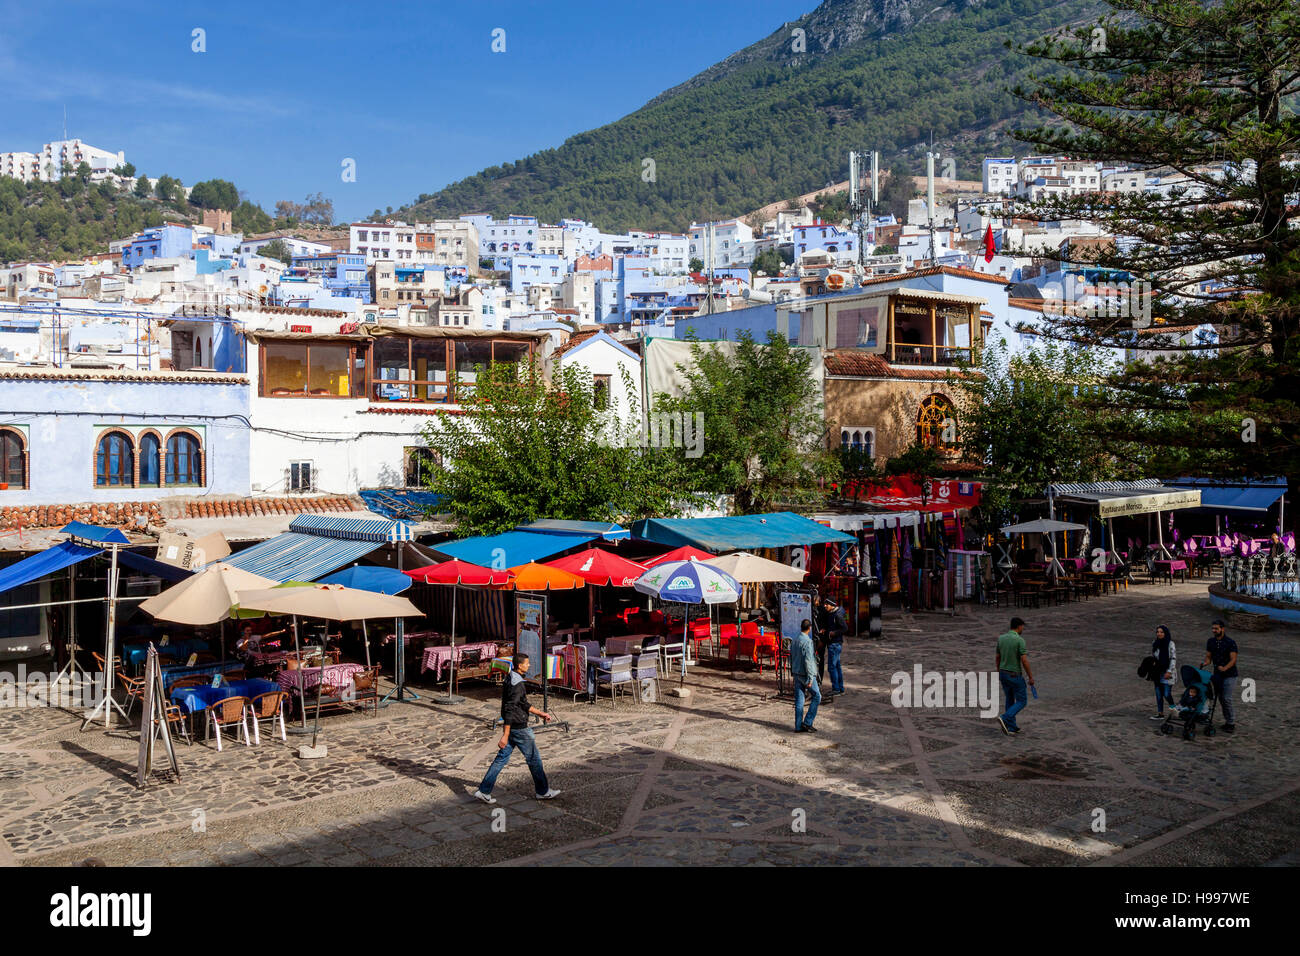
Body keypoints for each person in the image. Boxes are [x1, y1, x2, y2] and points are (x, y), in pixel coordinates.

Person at [473, 654, 561, 804]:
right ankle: (543, 791)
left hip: (514, 727)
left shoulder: (511, 677)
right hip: (519, 728)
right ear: (519, 665)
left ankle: (484, 790)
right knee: (534, 760)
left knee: (501, 759)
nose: (529, 666)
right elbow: (510, 708)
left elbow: (523, 703)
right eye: (527, 664)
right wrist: (505, 734)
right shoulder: (517, 684)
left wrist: (541, 713)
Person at [995, 617, 1035, 735]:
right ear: (1019, 626)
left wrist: (999, 671)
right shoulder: (1019, 640)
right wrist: (1030, 677)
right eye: (1022, 626)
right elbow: (1024, 660)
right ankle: (1005, 717)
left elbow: (997, 657)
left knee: (1009, 699)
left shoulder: (1001, 639)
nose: (1023, 628)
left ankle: (1011, 727)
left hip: (1003, 673)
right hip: (1014, 675)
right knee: (1022, 701)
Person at [1202, 619, 1239, 734]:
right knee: (1221, 698)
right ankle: (1227, 721)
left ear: (1222, 629)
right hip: (1217, 674)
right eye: (1213, 628)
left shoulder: (1230, 642)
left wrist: (1225, 668)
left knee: (1226, 698)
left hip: (1230, 674)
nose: (1214, 630)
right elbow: (1209, 656)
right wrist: (1206, 662)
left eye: (1216, 628)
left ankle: (1231, 722)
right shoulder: (1211, 642)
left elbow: (1233, 659)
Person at [791, 619, 820, 733]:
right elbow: (808, 660)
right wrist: (810, 677)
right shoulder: (808, 642)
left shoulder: (795, 640)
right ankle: (807, 722)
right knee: (817, 696)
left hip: (797, 672)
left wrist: (793, 670)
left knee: (799, 700)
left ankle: (798, 726)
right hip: (806, 674)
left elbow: (791, 656)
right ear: (810, 628)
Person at [820, 597, 848, 695]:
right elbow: (830, 625)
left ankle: (836, 689)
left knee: (831, 667)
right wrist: (825, 629)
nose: (825, 606)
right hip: (833, 643)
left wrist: (833, 633)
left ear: (832, 605)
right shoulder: (830, 613)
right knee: (837, 666)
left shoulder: (837, 615)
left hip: (835, 644)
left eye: (826, 604)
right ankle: (840, 688)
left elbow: (844, 628)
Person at [1149, 625, 1177, 719]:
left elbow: (1173, 658)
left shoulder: (1170, 644)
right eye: (1157, 632)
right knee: (1158, 694)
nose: (1159, 633)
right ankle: (1160, 713)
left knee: (1166, 693)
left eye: (1161, 632)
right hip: (1157, 672)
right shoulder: (1155, 643)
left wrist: (1169, 671)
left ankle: (1174, 708)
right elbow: (1153, 656)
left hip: (1167, 672)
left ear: (1165, 633)